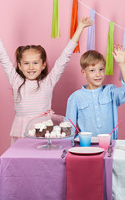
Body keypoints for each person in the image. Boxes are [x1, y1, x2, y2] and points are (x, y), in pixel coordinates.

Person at [0, 17, 93, 145]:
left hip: (44, 133)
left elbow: (64, 58)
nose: (31, 67)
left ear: (43, 65)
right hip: (20, 133)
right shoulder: (16, 81)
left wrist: (80, 28)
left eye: (35, 63)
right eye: (26, 63)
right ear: (20, 66)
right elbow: (3, 57)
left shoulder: (48, 82)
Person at [66, 46, 125, 139]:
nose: (98, 74)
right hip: (85, 146)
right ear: (83, 73)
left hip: (109, 145)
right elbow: (69, 129)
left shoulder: (111, 91)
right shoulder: (75, 97)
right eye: (92, 70)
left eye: (101, 69)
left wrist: (122, 64)